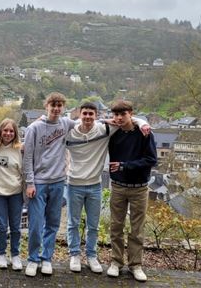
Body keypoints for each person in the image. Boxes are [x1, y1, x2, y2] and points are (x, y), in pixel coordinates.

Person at [64, 102, 149, 274]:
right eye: (85, 113)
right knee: (72, 223)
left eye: (91, 114)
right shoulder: (69, 133)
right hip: (73, 184)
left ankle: (91, 255)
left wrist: (142, 123)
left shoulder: (104, 130)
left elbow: (126, 120)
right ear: (79, 114)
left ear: (96, 115)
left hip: (95, 185)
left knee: (93, 225)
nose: (88, 117)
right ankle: (74, 255)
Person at [23, 92, 76, 277]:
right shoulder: (34, 128)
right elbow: (27, 157)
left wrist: (138, 121)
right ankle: (32, 258)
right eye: (53, 104)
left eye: (60, 105)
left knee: (52, 223)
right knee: (36, 224)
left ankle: (46, 258)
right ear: (46, 106)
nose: (56, 108)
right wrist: (29, 182)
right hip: (38, 183)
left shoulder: (66, 123)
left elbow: (91, 124)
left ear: (63, 107)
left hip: (58, 182)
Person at [106, 100, 157, 282]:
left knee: (137, 229)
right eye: (116, 115)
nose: (119, 118)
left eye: (123, 114)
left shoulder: (144, 133)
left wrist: (124, 166)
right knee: (116, 226)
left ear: (131, 114)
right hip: (118, 187)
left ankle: (136, 265)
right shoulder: (113, 132)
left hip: (139, 188)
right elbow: (90, 122)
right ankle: (116, 262)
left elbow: (151, 159)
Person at [0, 118, 24, 271]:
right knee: (2, 227)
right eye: (5, 130)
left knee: (16, 227)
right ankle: (1, 253)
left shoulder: (20, 149)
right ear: (0, 132)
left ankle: (15, 254)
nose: (8, 133)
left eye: (11, 131)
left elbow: (25, 172)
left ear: (15, 133)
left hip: (15, 193)